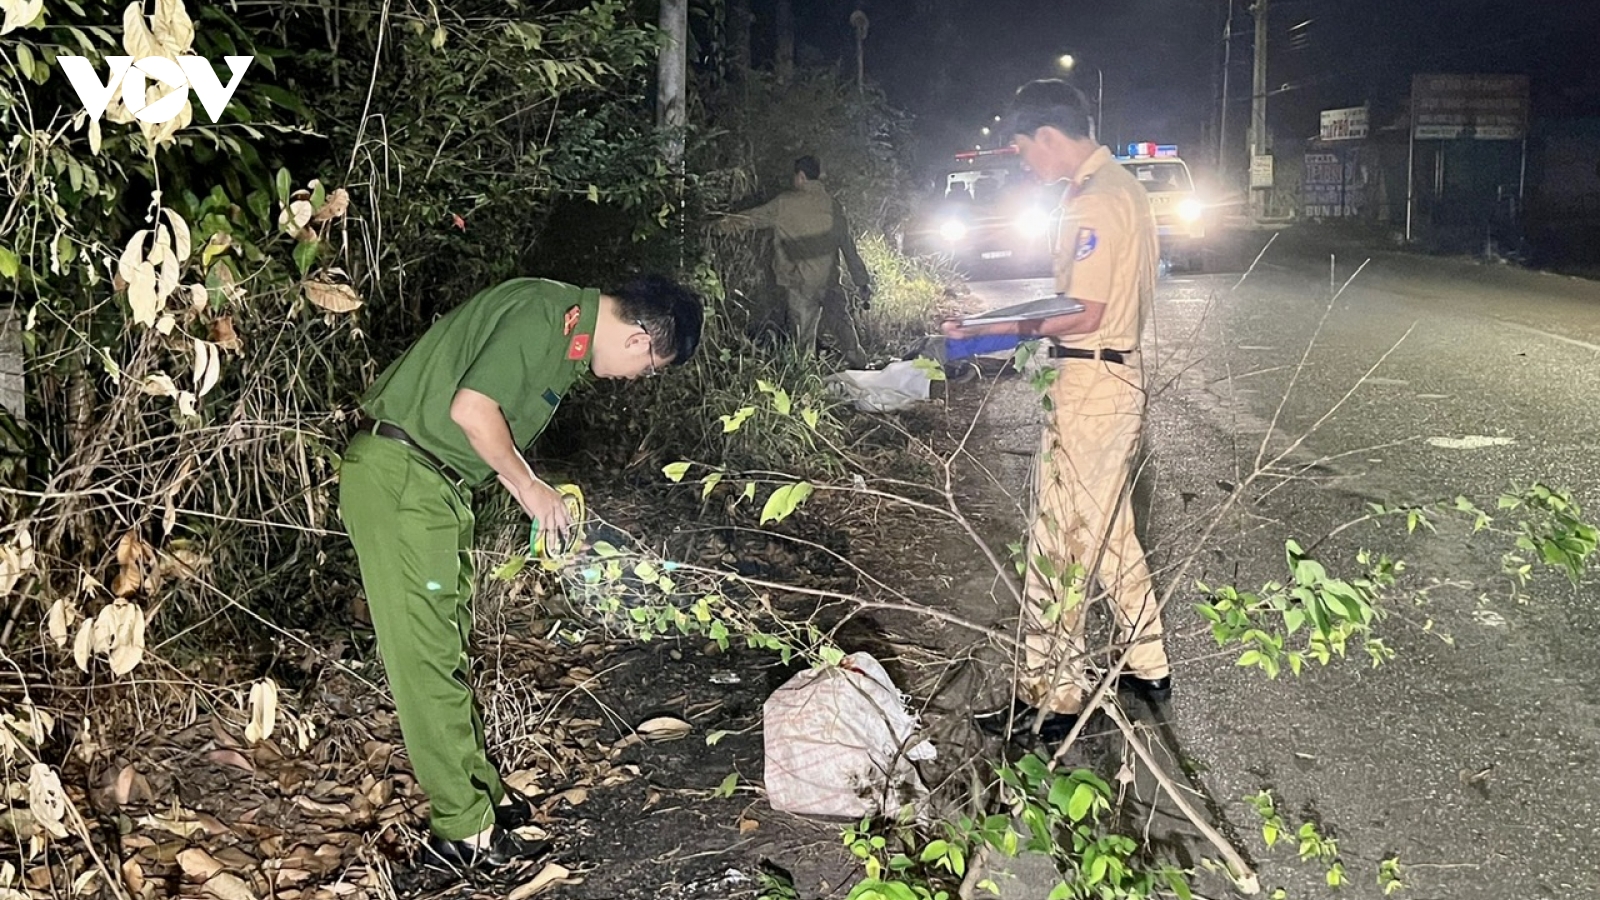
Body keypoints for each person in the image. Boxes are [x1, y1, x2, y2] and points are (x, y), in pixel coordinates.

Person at [338, 275, 703, 871]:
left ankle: (478, 791)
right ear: (639, 340)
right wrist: (531, 488)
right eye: (651, 369)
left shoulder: (563, 330)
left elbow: (484, 426)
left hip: (434, 486)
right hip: (403, 480)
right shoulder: (544, 316)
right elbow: (472, 410)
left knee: (447, 650)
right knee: (426, 661)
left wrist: (531, 492)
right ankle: (461, 829)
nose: (638, 380)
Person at [941, 80, 1171, 744]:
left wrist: (985, 334)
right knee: (1107, 532)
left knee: (1057, 543)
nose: (1024, 164)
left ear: (1048, 136)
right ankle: (1147, 662)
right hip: (1115, 379)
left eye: (1022, 150)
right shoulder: (1123, 188)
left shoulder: (1093, 201)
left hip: (1091, 386)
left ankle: (1049, 695)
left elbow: (1083, 312)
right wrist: (996, 321)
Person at [717, 156, 874, 368]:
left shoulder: (785, 204)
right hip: (830, 282)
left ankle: (805, 383)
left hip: (801, 285)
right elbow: (848, 248)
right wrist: (862, 282)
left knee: (802, 341)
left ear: (801, 176)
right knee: (843, 327)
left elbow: (749, 219)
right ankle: (861, 365)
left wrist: (714, 225)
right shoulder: (833, 206)